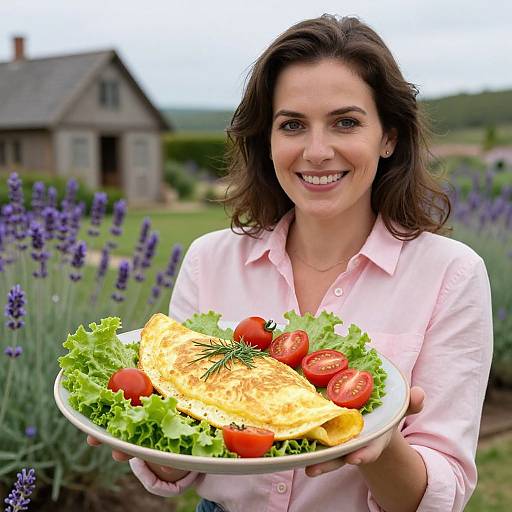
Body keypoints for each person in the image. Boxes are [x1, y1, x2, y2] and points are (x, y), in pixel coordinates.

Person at [88, 14, 493, 512]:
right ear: (267, 138)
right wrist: (135, 426)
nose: (316, 151)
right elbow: (183, 459)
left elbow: (440, 492)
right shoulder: (209, 260)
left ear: (388, 136)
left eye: (346, 122)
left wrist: (380, 448)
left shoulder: (452, 274)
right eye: (292, 125)